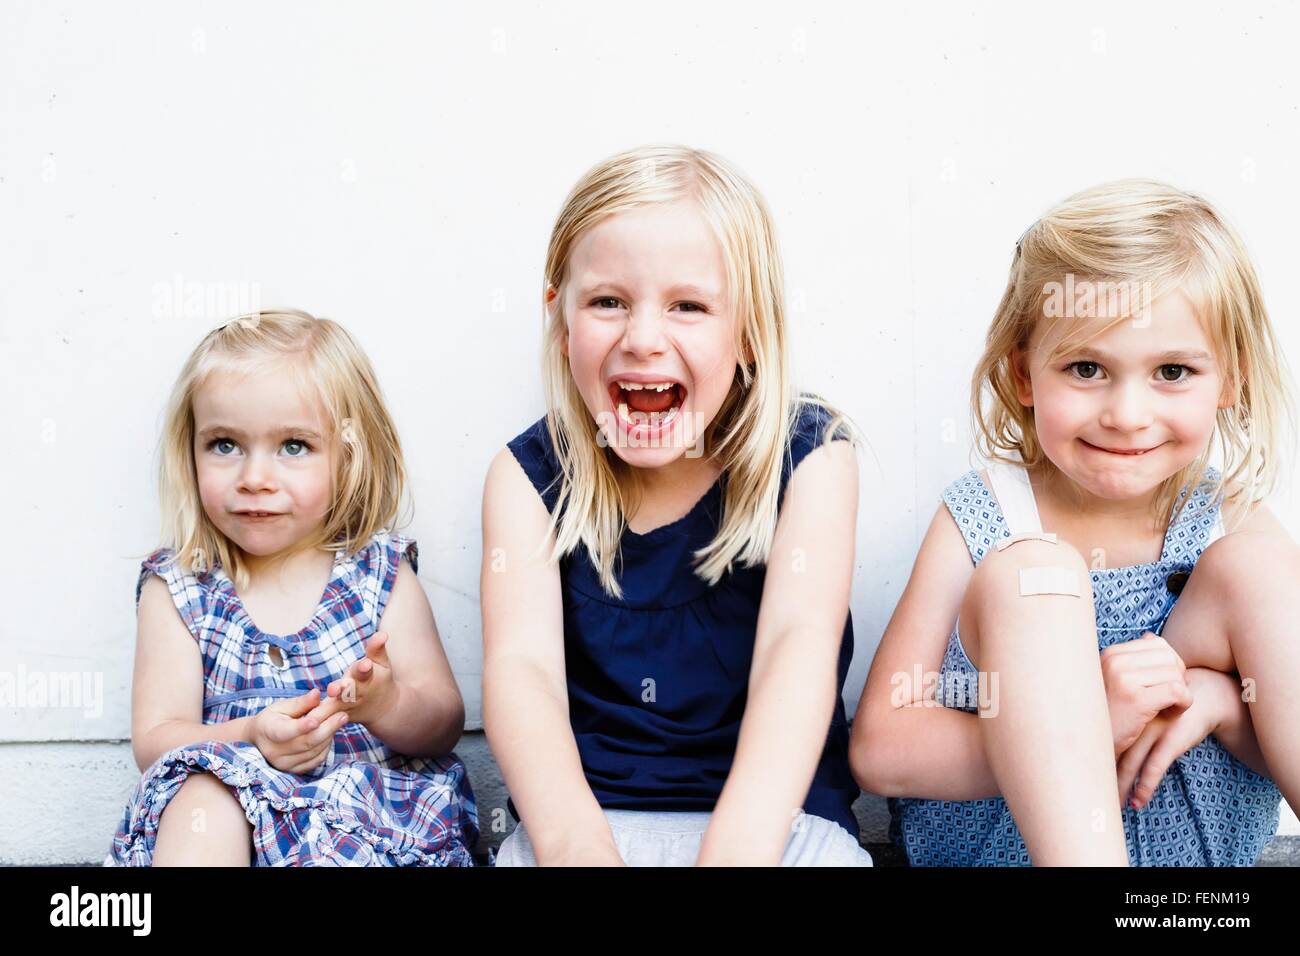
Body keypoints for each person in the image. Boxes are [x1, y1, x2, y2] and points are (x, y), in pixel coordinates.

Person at [854, 180, 1299, 865]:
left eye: (1172, 371)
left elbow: (1271, 730)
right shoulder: (986, 515)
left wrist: (1217, 700)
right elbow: (881, 748)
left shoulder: (1230, 521)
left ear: (1231, 379)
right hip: (1008, 851)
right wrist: (1085, 722)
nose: (1126, 413)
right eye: (1087, 368)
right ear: (1025, 375)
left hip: (1193, 880)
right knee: (1035, 575)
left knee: (1261, 569)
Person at [482, 144, 873, 866]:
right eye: (608, 302)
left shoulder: (813, 460)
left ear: (750, 328)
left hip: (777, 829)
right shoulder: (526, 479)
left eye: (688, 306)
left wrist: (735, 852)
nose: (643, 339)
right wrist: (575, 850)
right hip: (585, 825)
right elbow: (521, 672)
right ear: (560, 319)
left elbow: (799, 648)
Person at [107, 309, 478, 866]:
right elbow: (157, 741)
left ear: (348, 456)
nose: (255, 477)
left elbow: (443, 724)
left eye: (294, 446)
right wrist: (251, 734)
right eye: (225, 444)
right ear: (191, 450)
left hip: (360, 823)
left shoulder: (377, 573)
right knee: (201, 795)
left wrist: (387, 703)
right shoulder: (182, 587)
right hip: (230, 824)